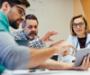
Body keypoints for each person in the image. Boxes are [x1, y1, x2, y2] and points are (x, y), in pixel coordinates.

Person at [0, 0, 89, 71]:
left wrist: (73, 66)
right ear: (5, 6)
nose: (23, 18)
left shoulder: (5, 28)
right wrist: (55, 48)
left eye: (24, 14)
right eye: (20, 11)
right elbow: (15, 56)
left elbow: (37, 61)